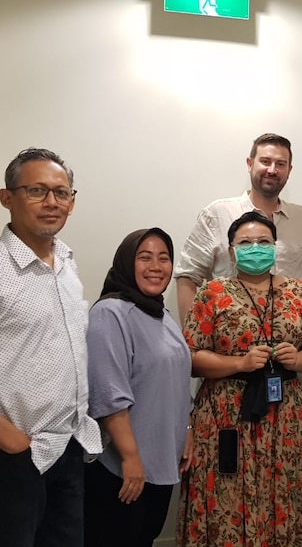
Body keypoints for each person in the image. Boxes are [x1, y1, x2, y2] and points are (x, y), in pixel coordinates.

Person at [176, 211, 302, 547]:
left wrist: (299, 358)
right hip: (226, 416)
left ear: (276, 247)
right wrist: (239, 363)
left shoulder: (298, 293)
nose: (255, 248)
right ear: (231, 252)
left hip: (286, 416)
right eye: (245, 243)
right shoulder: (211, 293)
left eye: (263, 242)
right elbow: (190, 357)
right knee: (227, 494)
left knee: (285, 492)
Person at [0, 148, 102, 547]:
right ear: (7, 198)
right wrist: (10, 440)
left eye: (62, 193)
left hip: (69, 446)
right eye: (37, 190)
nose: (52, 202)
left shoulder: (67, 261)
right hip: (16, 455)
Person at [84, 228, 193, 547]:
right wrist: (131, 459)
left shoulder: (161, 313)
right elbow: (108, 394)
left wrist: (186, 427)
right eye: (144, 257)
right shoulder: (110, 313)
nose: (156, 266)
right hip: (123, 466)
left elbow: (176, 376)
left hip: (160, 459)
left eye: (164, 258)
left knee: (145, 537)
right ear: (126, 263)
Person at [174, 133, 302, 319]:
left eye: (280, 164)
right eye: (265, 161)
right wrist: (193, 339)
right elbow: (188, 275)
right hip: (229, 337)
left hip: (291, 336)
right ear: (250, 163)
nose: (272, 170)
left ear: (289, 170)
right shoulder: (217, 214)